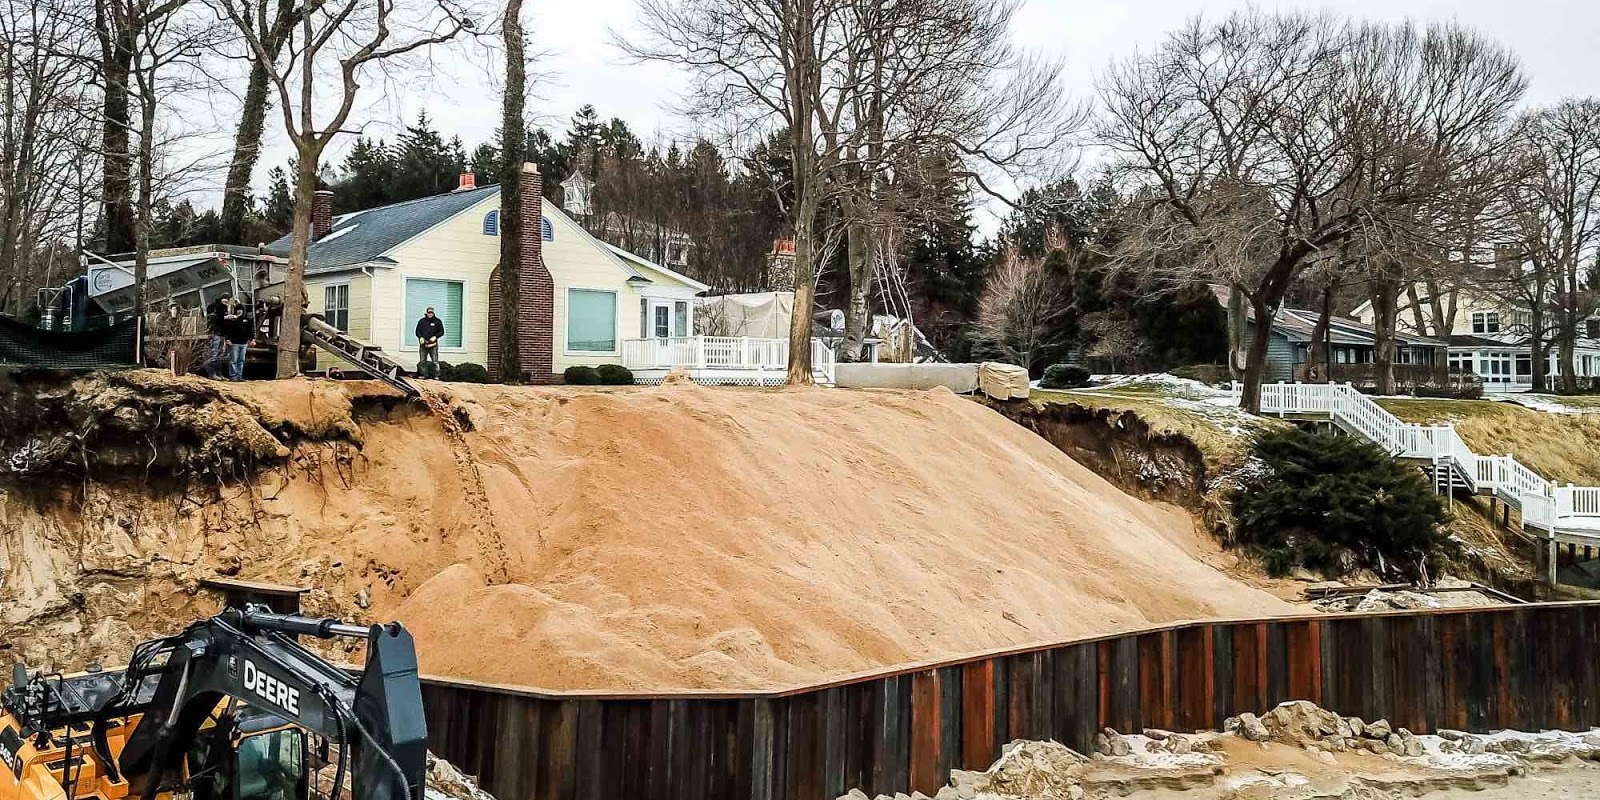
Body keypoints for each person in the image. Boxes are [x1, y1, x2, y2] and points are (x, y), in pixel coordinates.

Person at [224, 300, 253, 381]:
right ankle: (233, 377)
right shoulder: (233, 320)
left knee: (241, 360)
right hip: (234, 343)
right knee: (233, 360)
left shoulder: (247, 320)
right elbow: (228, 331)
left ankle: (240, 376)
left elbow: (250, 331)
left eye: (241, 310)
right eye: (238, 309)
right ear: (236, 311)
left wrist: (252, 339)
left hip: (244, 343)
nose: (239, 311)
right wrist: (228, 339)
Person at [414, 307, 444, 378]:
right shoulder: (422, 321)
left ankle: (437, 375)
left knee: (435, 361)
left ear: (433, 313)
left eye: (431, 313)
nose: (430, 314)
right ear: (426, 313)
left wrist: (435, 337)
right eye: (429, 312)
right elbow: (417, 331)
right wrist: (420, 337)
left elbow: (441, 332)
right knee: (422, 361)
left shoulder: (437, 321)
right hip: (423, 345)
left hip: (433, 345)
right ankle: (422, 374)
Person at [205, 291, 232, 368]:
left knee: (220, 354)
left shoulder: (225, 308)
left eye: (227, 299)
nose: (225, 300)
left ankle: (218, 373)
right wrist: (225, 317)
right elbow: (214, 319)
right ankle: (212, 372)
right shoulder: (216, 307)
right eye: (224, 298)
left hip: (222, 333)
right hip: (215, 333)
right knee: (214, 353)